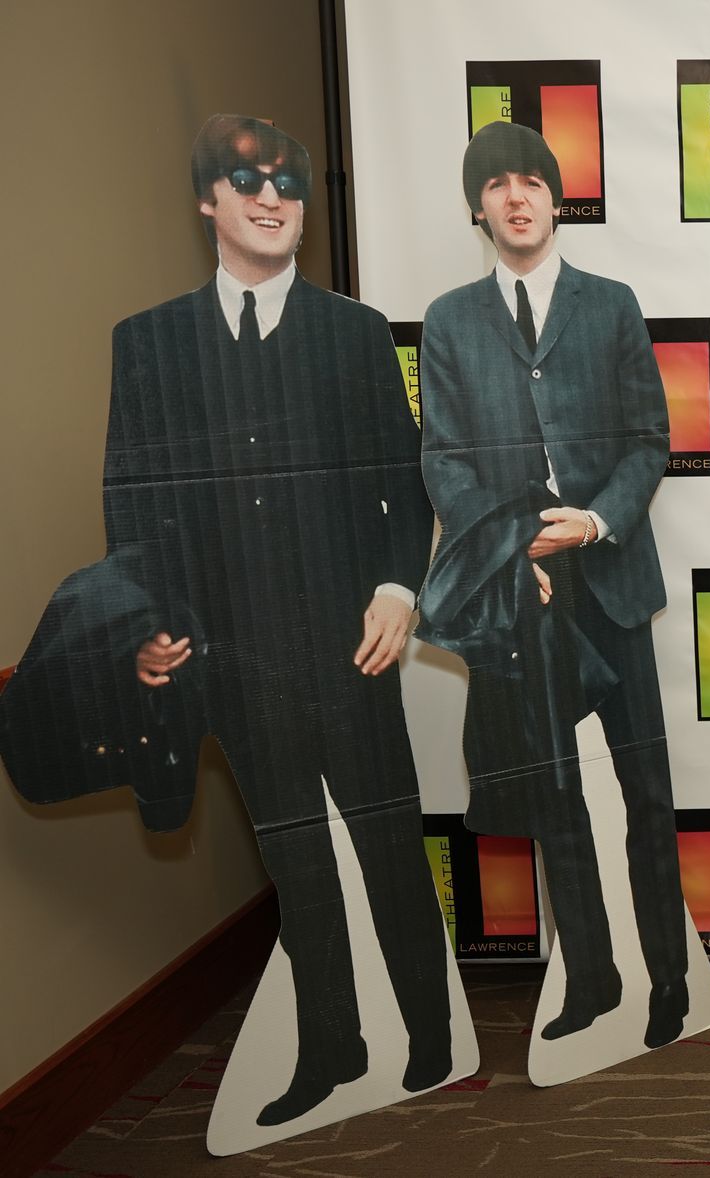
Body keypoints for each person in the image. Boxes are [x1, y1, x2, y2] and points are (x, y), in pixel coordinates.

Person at [108, 114, 452, 1125]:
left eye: (288, 184)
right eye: (245, 179)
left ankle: (431, 1037)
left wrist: (398, 589)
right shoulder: (149, 343)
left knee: (388, 843)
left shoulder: (355, 332)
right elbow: (129, 497)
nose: (270, 197)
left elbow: (407, 479)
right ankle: (333, 1049)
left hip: (354, 647)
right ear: (208, 200)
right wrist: (152, 617)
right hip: (233, 657)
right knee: (296, 862)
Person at [415, 120, 688, 1050]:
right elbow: (444, 459)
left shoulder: (610, 305)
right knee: (559, 797)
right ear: (478, 206)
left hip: (608, 577)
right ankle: (596, 982)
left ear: (556, 198)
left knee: (647, 792)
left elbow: (649, 440)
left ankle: (670, 982)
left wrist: (597, 519)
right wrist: (509, 548)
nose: (517, 195)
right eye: (498, 184)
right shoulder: (450, 320)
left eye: (533, 180)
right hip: (520, 592)